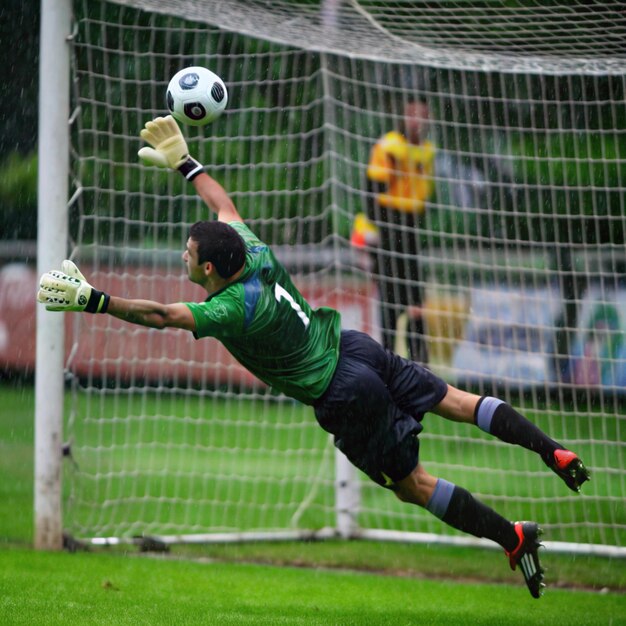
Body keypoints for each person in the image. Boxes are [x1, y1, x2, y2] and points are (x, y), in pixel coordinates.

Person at [37, 115, 589, 599]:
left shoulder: (231, 306)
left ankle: (511, 538)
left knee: (412, 485)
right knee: (460, 401)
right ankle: (553, 450)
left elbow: (162, 315)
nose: (183, 254)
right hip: (355, 346)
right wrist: (185, 163)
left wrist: (94, 300)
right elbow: (222, 205)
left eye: (189, 252)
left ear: (208, 270)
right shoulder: (251, 250)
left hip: (343, 391)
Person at [365, 97, 434, 363]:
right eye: (412, 114)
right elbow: (372, 189)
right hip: (389, 225)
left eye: (422, 114)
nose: (417, 120)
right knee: (391, 298)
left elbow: (424, 196)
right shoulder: (389, 147)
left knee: (416, 299)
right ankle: (389, 360)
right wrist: (377, 228)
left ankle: (420, 362)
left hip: (413, 228)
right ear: (403, 116)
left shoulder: (427, 151)